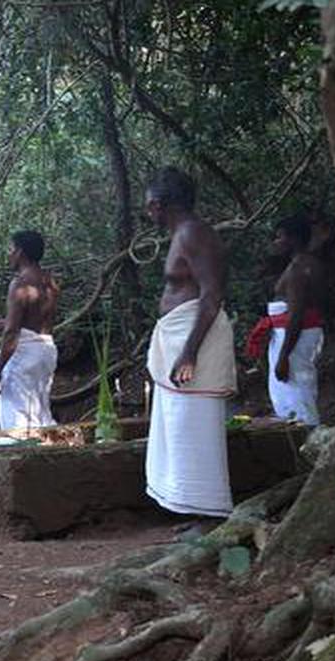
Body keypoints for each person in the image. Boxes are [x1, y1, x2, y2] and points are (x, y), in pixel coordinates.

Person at [142, 167, 237, 519]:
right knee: (178, 424)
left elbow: (211, 295)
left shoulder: (194, 233)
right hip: (179, 334)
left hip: (194, 338)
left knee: (195, 425)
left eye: (149, 206)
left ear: (158, 204)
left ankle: (209, 515)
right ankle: (191, 510)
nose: (148, 212)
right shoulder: (184, 233)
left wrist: (189, 352)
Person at [0, 231, 60, 431]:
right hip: (46, 352)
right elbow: (20, 322)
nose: (9, 255)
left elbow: (12, 331)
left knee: (19, 419)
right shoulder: (50, 282)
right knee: (40, 413)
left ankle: (21, 457)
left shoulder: (20, 284)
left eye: (11, 249)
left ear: (20, 252)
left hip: (24, 357)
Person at [245, 213, 327, 425]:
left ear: (294, 239)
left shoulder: (299, 269)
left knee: (295, 392)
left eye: (279, 237)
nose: (276, 242)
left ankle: (304, 433)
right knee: (300, 387)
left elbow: (296, 315)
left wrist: (283, 357)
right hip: (299, 335)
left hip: (293, 338)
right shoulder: (308, 264)